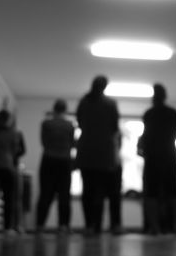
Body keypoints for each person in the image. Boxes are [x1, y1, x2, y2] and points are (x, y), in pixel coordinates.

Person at [75, 75, 120, 235]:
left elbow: (80, 123)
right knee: (100, 192)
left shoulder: (83, 102)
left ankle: (89, 225)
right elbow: (114, 128)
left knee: (88, 191)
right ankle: (98, 226)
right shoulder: (110, 104)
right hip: (104, 154)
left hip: (86, 152)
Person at [140, 83, 176, 235]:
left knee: (153, 193)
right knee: (173, 191)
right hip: (168, 153)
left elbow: (146, 135)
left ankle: (157, 227)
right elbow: (175, 132)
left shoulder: (150, 113)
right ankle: (174, 226)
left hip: (155, 155)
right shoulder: (171, 113)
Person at [36, 99, 75, 233]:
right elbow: (71, 143)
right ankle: (63, 226)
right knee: (64, 195)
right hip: (64, 161)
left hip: (48, 159)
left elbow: (44, 142)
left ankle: (40, 226)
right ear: (65, 110)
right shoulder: (70, 125)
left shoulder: (46, 124)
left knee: (45, 194)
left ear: (54, 109)